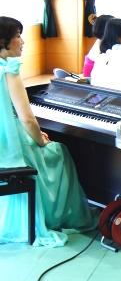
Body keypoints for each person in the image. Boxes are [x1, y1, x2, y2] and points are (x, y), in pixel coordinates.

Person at [0, 16, 96, 246]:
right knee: (59, 151)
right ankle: (63, 216)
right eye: (18, 36)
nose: (23, 41)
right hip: (12, 147)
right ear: (3, 42)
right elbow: (27, 119)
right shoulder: (9, 70)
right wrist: (41, 141)